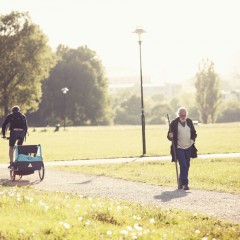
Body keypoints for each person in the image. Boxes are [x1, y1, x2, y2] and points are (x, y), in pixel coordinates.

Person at [167, 107, 197, 190]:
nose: (183, 116)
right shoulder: (174, 123)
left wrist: (192, 140)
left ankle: (180, 180)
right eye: (181, 115)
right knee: (183, 164)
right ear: (178, 114)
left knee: (187, 165)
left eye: (184, 115)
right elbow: (169, 136)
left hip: (189, 146)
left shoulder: (189, 122)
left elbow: (194, 133)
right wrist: (170, 136)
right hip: (179, 147)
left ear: (186, 115)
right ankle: (185, 184)